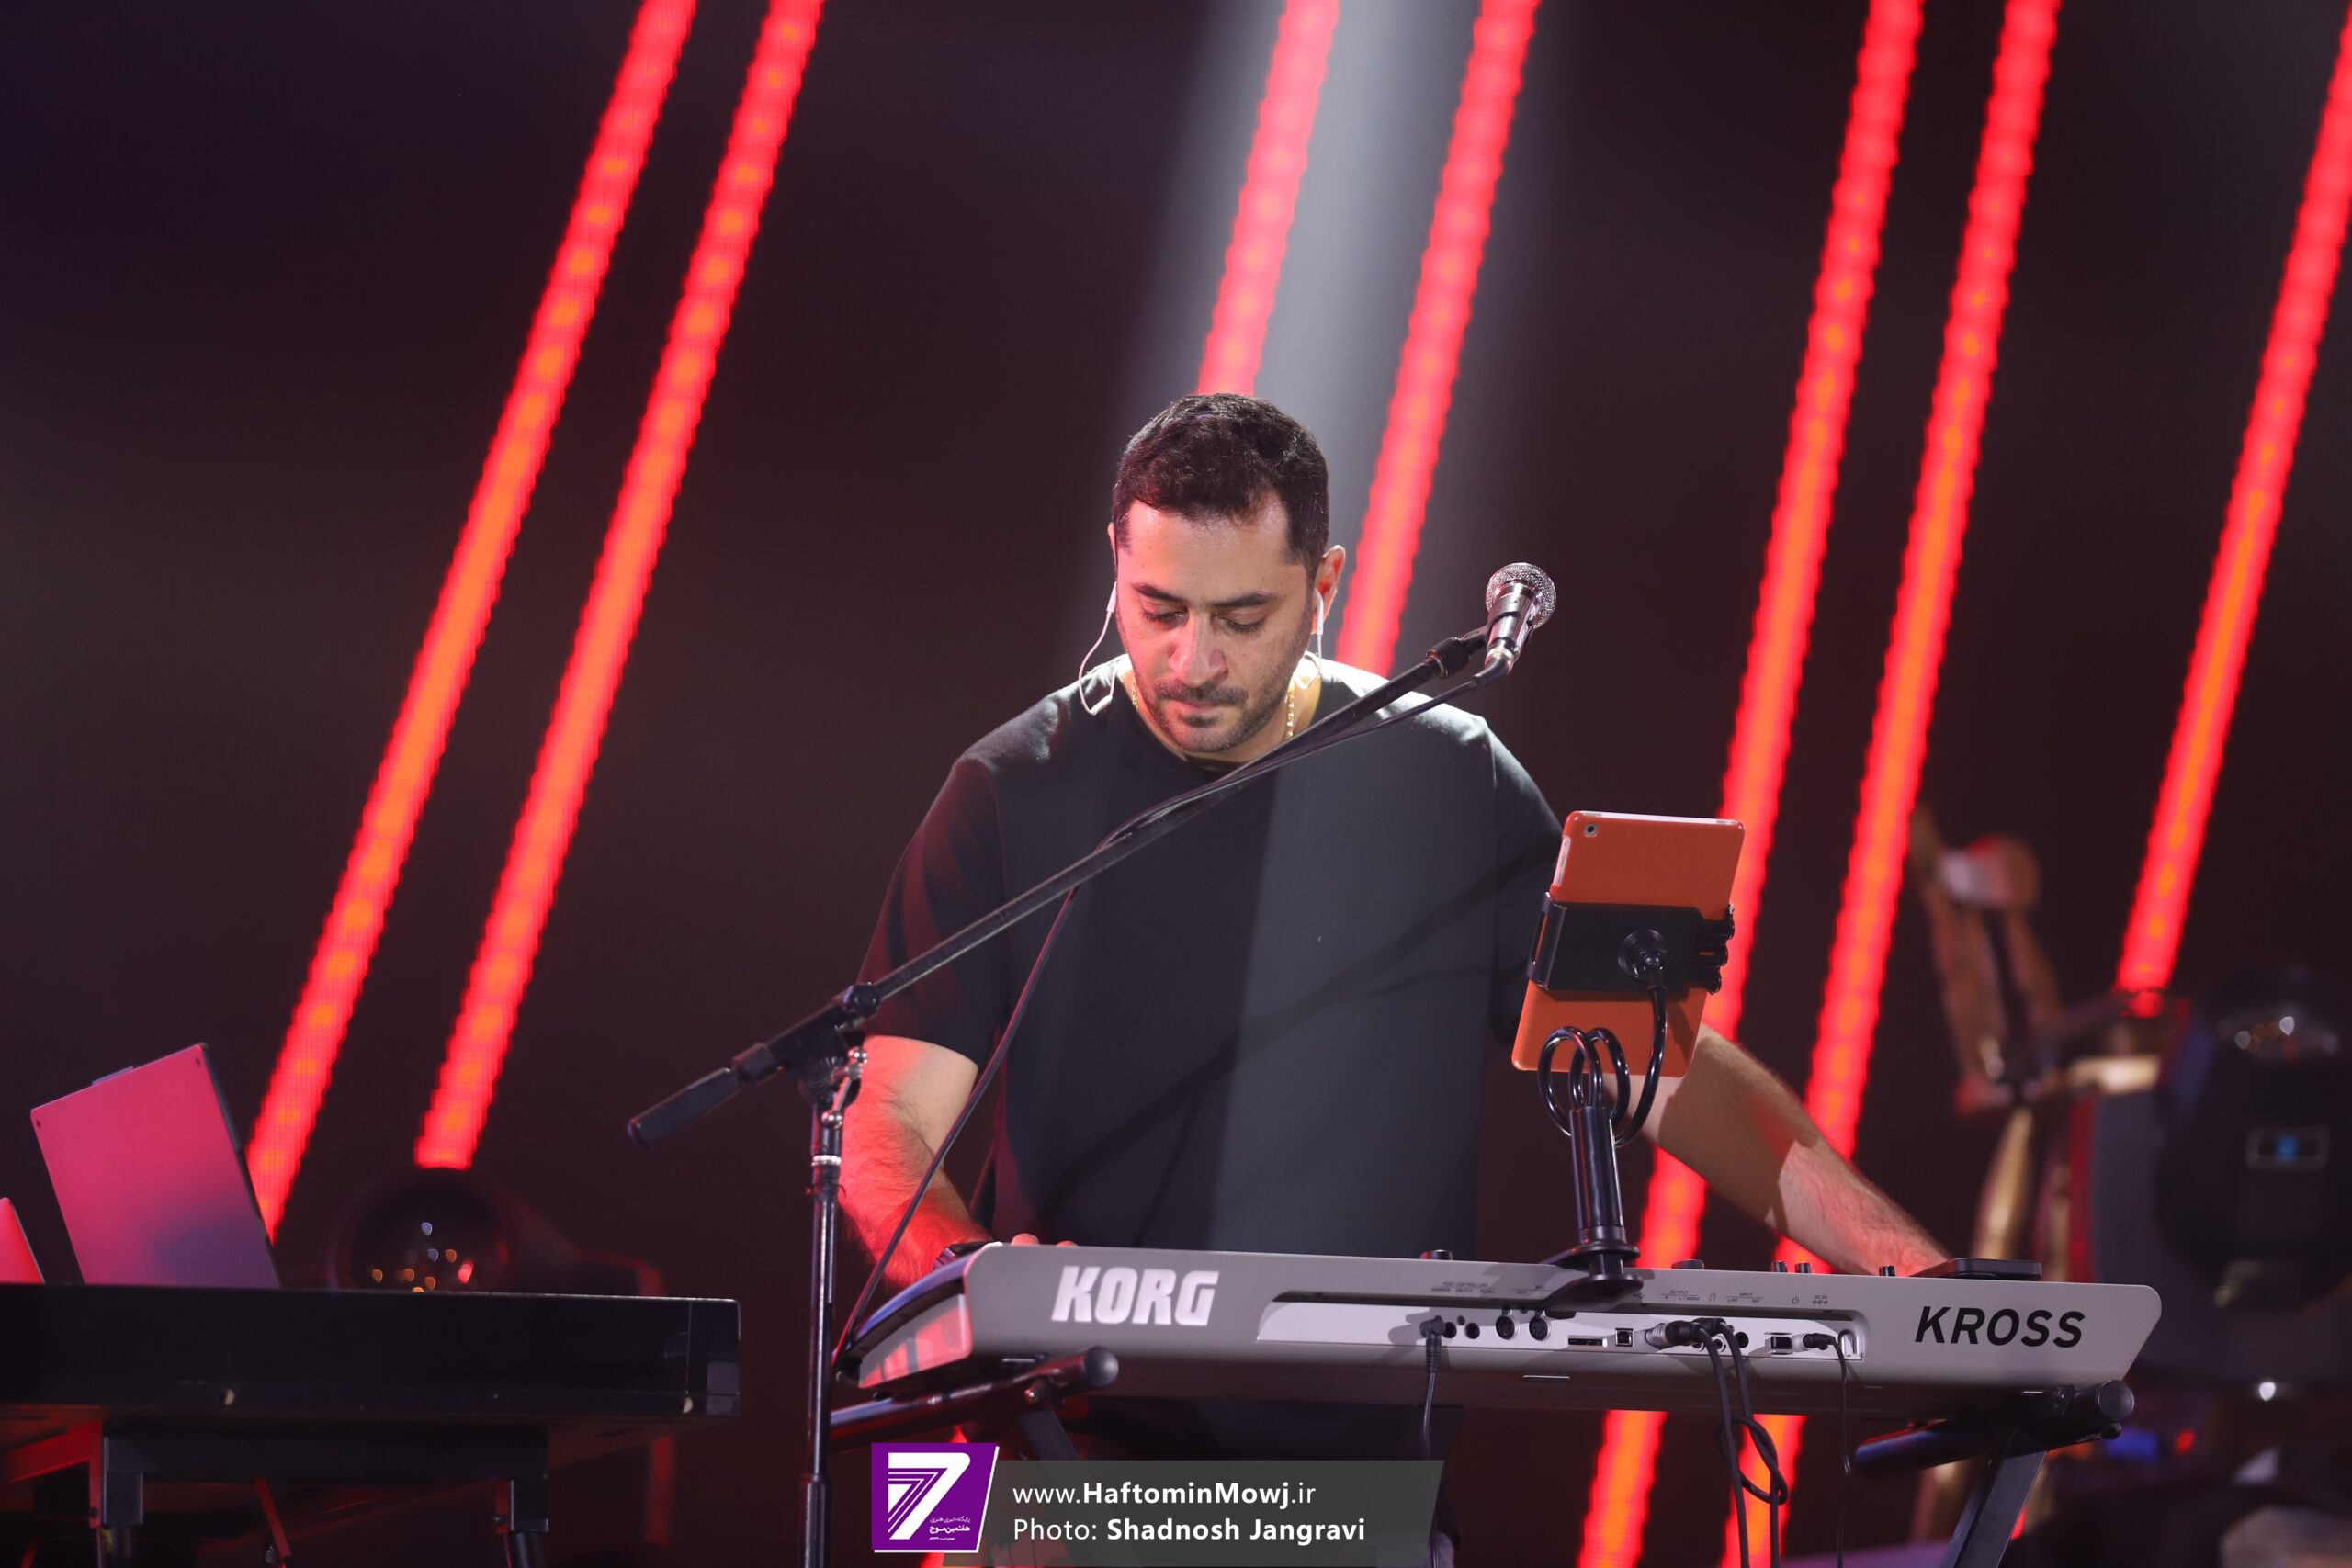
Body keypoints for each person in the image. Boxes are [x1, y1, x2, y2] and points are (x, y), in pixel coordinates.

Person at [842, 392, 1943, 1555]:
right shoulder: (1012, 788)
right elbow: (882, 1126)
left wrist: (1910, 1269)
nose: (1190, 660)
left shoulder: (1448, 777)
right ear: (1115, 564)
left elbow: (1658, 1069)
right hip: (1060, 1477)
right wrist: (977, 1278)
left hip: (1351, 1495)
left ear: (1324, 583)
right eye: (1156, 609)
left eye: (1242, 616)